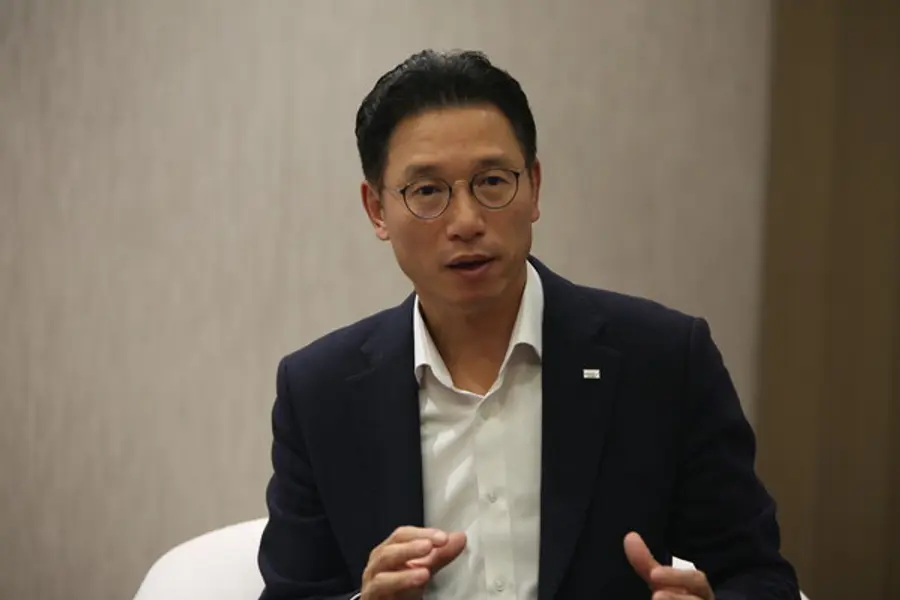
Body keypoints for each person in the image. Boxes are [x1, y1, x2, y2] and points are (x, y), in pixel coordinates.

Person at [258, 49, 800, 600]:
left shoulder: (662, 362)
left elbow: (760, 576)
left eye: (492, 181)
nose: (467, 221)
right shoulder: (319, 394)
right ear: (376, 209)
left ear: (534, 187)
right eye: (427, 192)